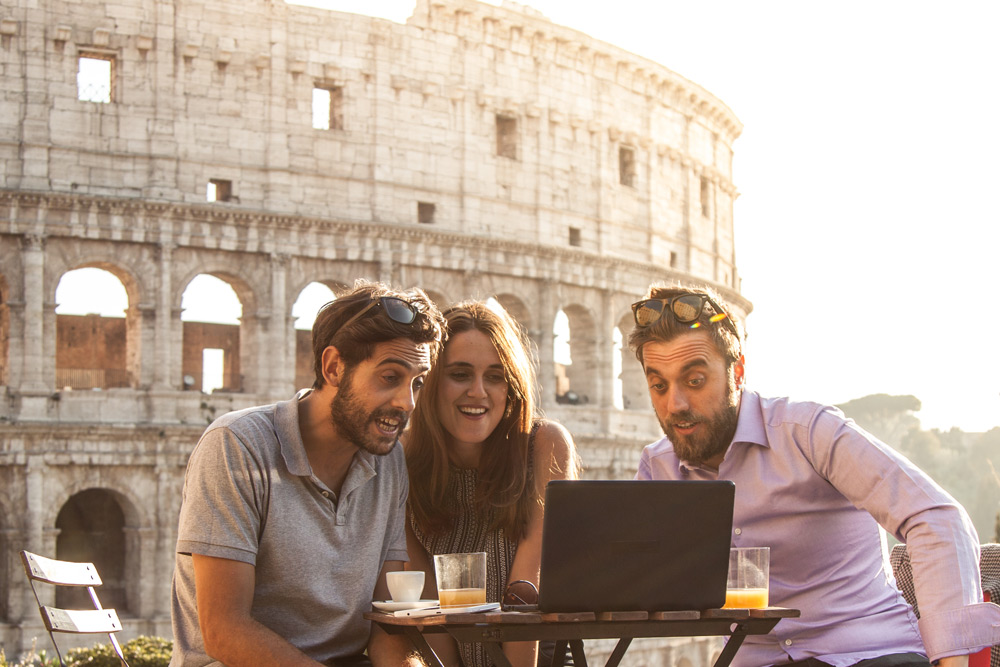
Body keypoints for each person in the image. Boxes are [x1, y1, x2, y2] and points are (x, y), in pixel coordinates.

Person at [627, 284, 1000, 667]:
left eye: (694, 381)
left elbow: (935, 516)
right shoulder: (658, 467)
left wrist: (952, 661)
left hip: (867, 653)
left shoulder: (809, 431)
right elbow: (631, 574)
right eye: (658, 385)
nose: (675, 405)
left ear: (736, 371)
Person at [169, 280, 446, 667]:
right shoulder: (237, 445)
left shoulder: (389, 462)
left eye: (417, 382)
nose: (407, 402)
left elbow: (389, 625)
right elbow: (224, 630)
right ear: (333, 367)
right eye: (389, 377)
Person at [404, 301, 579, 667]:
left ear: (511, 386)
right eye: (460, 374)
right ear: (432, 380)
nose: (479, 392)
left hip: (532, 651)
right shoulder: (401, 458)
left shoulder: (543, 445)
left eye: (496, 376)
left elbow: (526, 587)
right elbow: (425, 598)